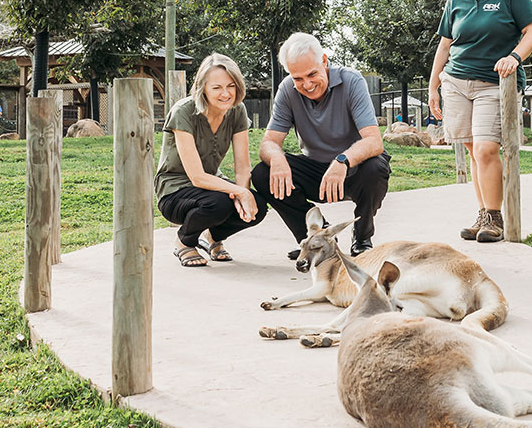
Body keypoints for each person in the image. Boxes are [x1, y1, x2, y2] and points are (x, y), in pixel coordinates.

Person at [428, 0, 532, 243]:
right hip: (456, 82)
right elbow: (445, 45)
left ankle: (495, 217)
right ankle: (483, 215)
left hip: (495, 83)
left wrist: (515, 57)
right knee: (472, 151)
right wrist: (433, 85)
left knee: (486, 148)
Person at [251, 32, 390, 258]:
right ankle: (315, 239)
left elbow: (374, 141)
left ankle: (362, 238)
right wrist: (277, 158)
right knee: (262, 173)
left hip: (352, 170)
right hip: (315, 169)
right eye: (298, 78)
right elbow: (268, 142)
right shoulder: (287, 90)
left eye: (312, 74)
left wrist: (342, 161)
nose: (306, 84)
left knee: (376, 167)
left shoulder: (352, 81)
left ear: (324, 61)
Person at [155, 53, 266, 267]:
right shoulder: (183, 112)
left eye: (231, 86)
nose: (225, 94)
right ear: (203, 87)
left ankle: (212, 237)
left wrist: (241, 195)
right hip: (175, 190)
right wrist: (238, 192)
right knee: (219, 203)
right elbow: (196, 177)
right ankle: (184, 241)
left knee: (258, 206)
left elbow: (242, 168)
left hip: (212, 187)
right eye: (217, 87)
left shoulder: (237, 111)